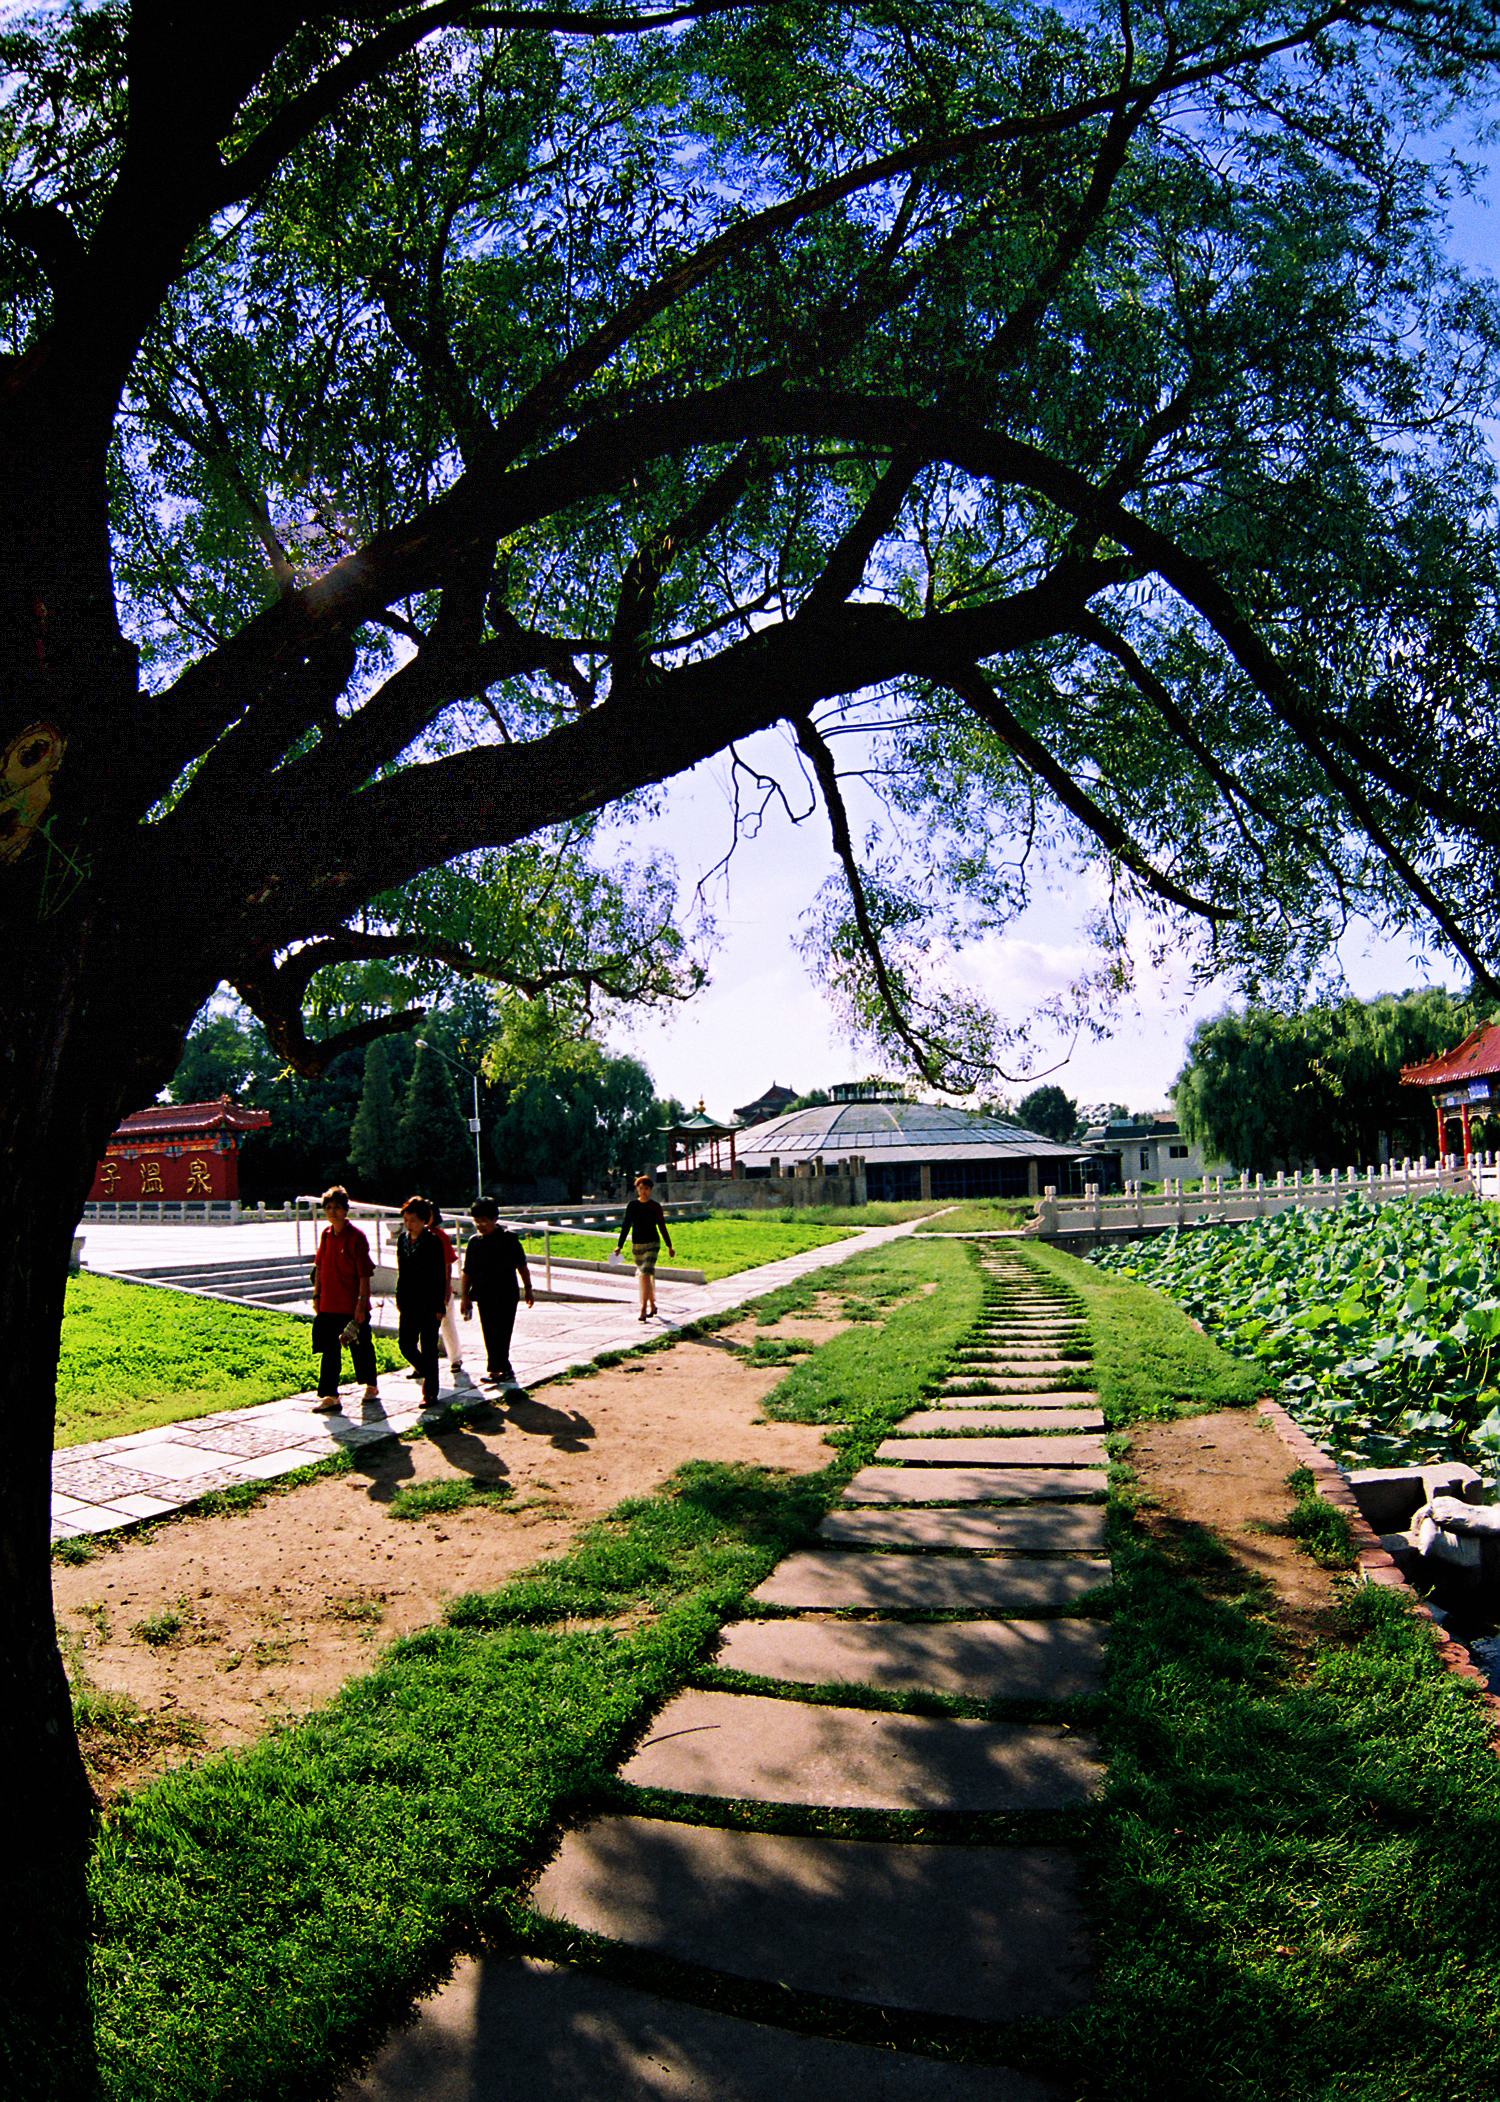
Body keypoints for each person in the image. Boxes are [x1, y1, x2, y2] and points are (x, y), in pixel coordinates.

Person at [310, 1185, 379, 1413]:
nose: (332, 1212)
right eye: (328, 1208)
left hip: (352, 1305)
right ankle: (330, 1395)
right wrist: (317, 1295)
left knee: (361, 1348)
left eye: (337, 1208)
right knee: (329, 1351)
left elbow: (364, 1274)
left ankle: (371, 1386)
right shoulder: (326, 1235)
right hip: (329, 1304)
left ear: (345, 1210)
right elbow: (319, 1267)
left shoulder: (357, 1237)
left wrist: (361, 1304)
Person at [460, 1197, 533, 1388]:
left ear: (495, 1219)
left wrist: (528, 1289)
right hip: (484, 1294)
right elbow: (467, 1272)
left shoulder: (509, 1239)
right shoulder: (474, 1242)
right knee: (489, 1331)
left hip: (506, 1293)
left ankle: (497, 1368)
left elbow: (522, 1266)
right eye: (477, 1222)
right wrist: (464, 1296)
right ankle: (501, 1368)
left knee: (502, 1332)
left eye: (484, 1221)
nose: (481, 1226)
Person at [395, 1195, 447, 1416]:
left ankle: (430, 1392)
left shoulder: (433, 1241)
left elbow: (438, 1276)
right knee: (406, 1344)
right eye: (406, 1220)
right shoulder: (402, 1240)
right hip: (408, 1301)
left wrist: (439, 1305)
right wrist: (399, 1297)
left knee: (428, 1346)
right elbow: (401, 1271)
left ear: (424, 1220)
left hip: (428, 1303)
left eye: (413, 1220)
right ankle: (427, 1371)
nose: (409, 1224)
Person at [614, 1173, 675, 1321]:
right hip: (637, 1245)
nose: (643, 1191)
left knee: (645, 1274)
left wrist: (669, 1245)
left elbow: (661, 1225)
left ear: (650, 1190)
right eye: (641, 1188)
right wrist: (619, 1246)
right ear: (637, 1189)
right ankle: (653, 1304)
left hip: (652, 1243)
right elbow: (626, 1225)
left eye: (646, 1188)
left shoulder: (655, 1206)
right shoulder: (632, 1206)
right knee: (645, 1277)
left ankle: (643, 1308)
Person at [430, 1204, 469, 1387]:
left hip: (441, 1289)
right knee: (423, 1328)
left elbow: (448, 1263)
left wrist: (446, 1288)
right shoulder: (413, 1236)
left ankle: (455, 1359)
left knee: (447, 1324)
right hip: (421, 1292)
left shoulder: (440, 1236)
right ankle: (422, 1362)